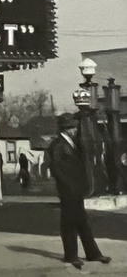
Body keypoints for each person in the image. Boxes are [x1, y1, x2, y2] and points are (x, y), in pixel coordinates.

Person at [48, 113, 110, 269]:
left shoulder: (70, 143)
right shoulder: (57, 145)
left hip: (75, 190)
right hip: (68, 191)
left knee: (82, 222)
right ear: (66, 128)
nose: (75, 130)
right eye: (73, 127)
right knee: (69, 224)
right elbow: (57, 169)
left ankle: (93, 253)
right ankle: (71, 255)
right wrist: (69, 186)